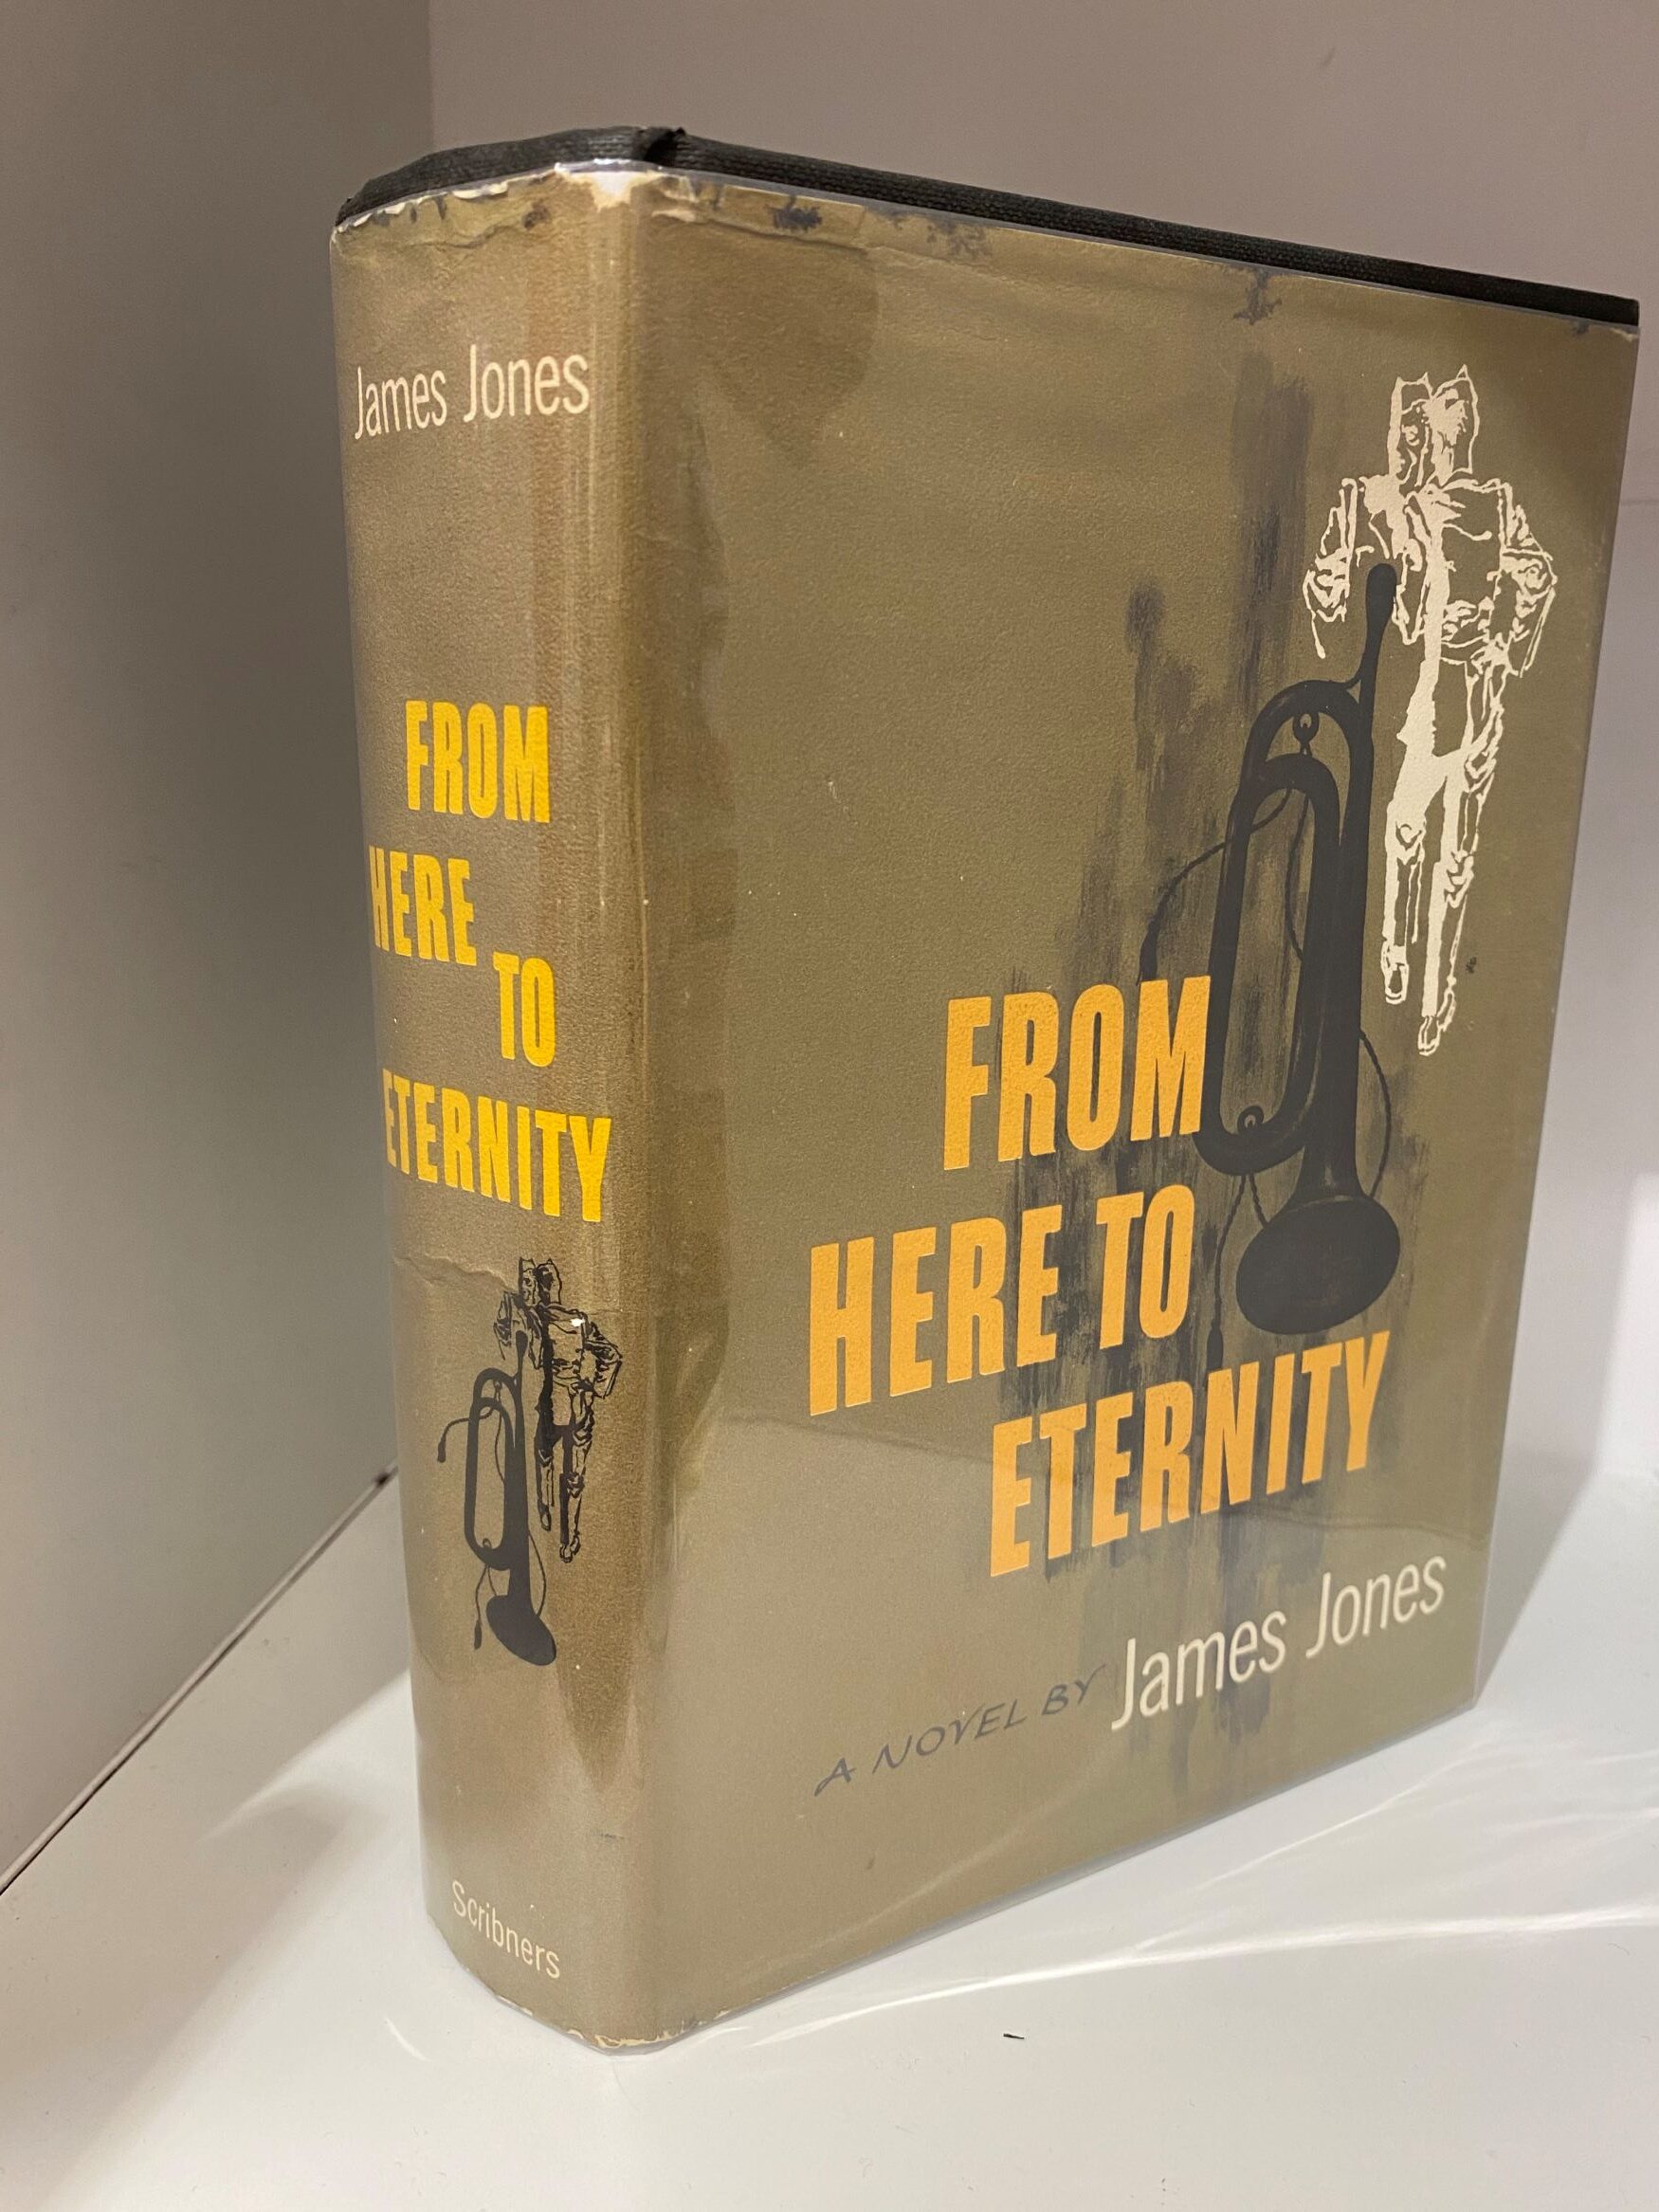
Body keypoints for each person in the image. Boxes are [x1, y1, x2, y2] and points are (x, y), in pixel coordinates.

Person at [1304, 369, 1556, 1055]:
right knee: (1416, 835)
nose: (1422, 447)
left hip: (1464, 705)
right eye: (1413, 432)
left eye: (1433, 435)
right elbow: (1333, 581)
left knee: (1443, 849)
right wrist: (1331, 589)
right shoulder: (1399, 501)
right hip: (1434, 706)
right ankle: (1404, 965)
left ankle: (1429, 988)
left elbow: (1536, 576)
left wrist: (1501, 643)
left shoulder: (1485, 505)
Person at [494, 1257, 622, 1561]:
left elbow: (519, 1336)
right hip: (577, 1407)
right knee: (572, 1476)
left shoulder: (540, 1320)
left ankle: (545, 1512)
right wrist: (596, 1387)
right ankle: (567, 1537)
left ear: (541, 1290)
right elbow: (612, 1355)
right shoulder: (579, 1322)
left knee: (545, 1456)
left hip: (554, 1406)